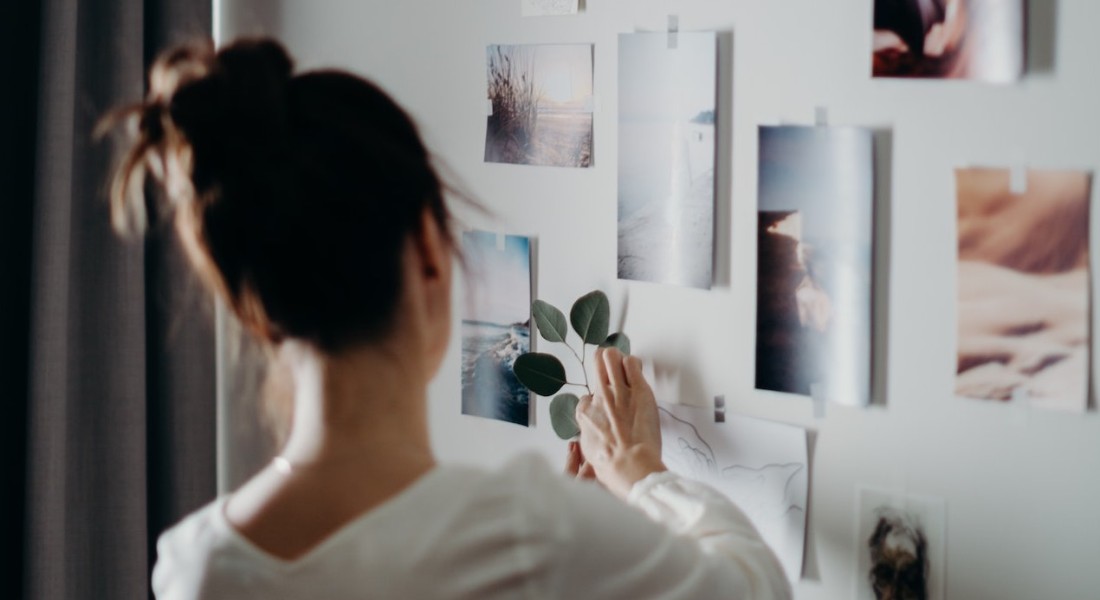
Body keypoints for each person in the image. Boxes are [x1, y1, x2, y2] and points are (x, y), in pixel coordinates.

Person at [105, 37, 791, 599]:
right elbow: (755, 587)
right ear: (430, 254)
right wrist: (642, 470)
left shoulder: (194, 569)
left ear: (256, 311)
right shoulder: (527, 535)